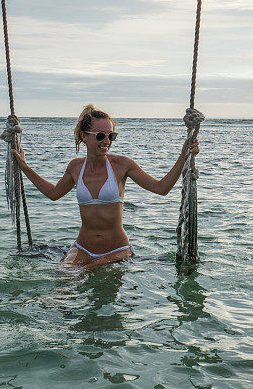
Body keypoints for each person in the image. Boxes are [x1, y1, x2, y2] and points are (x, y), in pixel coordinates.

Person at [11, 104, 200, 268]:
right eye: (101, 136)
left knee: (88, 271)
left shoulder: (122, 165)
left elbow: (161, 188)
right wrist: (25, 168)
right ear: (84, 136)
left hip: (117, 249)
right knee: (63, 277)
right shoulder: (75, 167)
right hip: (82, 247)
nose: (107, 142)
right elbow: (53, 193)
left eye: (111, 136)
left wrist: (184, 155)